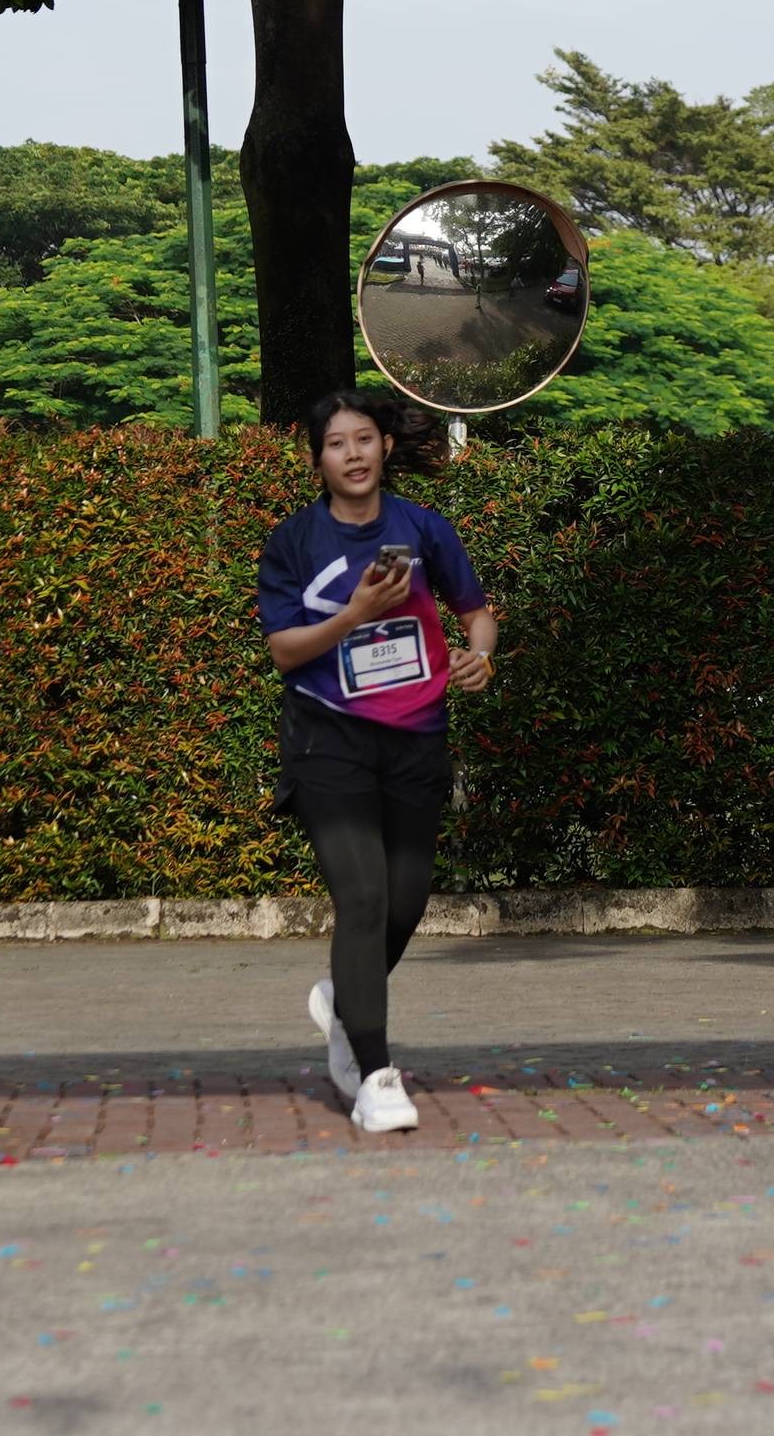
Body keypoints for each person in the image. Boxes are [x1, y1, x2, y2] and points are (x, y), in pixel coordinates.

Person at [256, 388, 498, 1133]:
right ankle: (376, 1076)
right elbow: (284, 650)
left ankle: (344, 998)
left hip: (416, 737)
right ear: (317, 460)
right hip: (327, 739)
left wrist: (479, 657)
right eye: (336, 444)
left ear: (385, 447)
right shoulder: (294, 542)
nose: (353, 454)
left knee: (406, 901)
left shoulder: (423, 528)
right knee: (362, 897)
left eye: (364, 438)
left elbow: (477, 614)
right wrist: (354, 615)